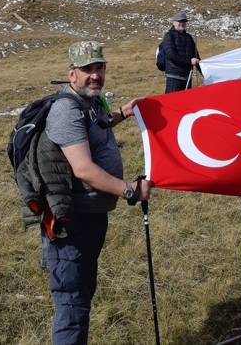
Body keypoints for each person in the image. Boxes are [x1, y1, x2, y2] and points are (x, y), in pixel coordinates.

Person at [41, 41, 152, 345]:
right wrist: (129, 190)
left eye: (99, 68)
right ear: (71, 74)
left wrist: (125, 112)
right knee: (72, 304)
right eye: (86, 69)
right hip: (70, 226)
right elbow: (84, 170)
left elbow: (100, 124)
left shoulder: (92, 102)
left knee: (83, 292)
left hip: (93, 219)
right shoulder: (66, 110)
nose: (94, 75)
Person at [161, 11, 200, 93]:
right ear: (173, 22)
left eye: (184, 21)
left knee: (185, 103)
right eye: (180, 21)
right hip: (174, 76)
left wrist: (205, 72)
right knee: (171, 102)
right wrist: (189, 62)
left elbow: (196, 56)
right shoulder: (169, 35)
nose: (182, 23)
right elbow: (171, 55)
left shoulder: (189, 37)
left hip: (187, 76)